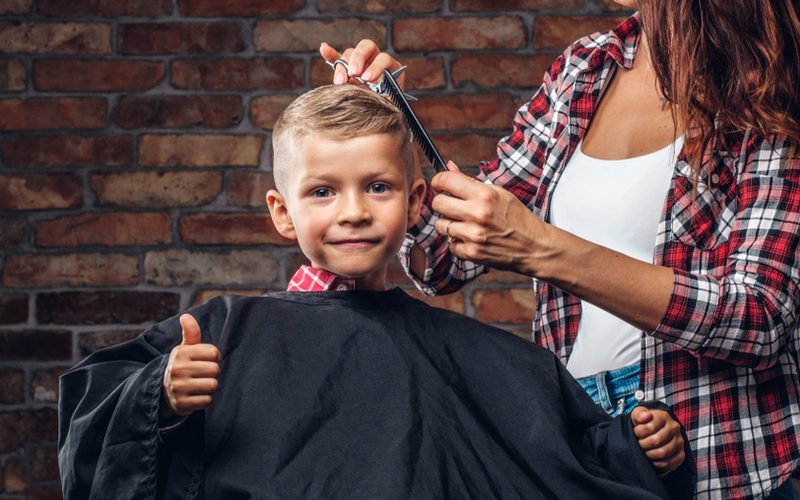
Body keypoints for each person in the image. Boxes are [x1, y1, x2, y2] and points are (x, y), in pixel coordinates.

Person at [58, 84, 694, 499]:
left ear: (417, 201)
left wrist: (636, 449)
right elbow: (91, 435)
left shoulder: (484, 358)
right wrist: (158, 396)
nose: (354, 211)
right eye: (323, 191)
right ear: (282, 212)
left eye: (379, 187)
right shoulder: (223, 335)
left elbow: (561, 461)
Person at [320, 0, 800, 498]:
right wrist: (391, 130)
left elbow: (758, 318)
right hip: (580, 439)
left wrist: (541, 248)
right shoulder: (587, 66)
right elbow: (441, 262)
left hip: (713, 449)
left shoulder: (767, 83)